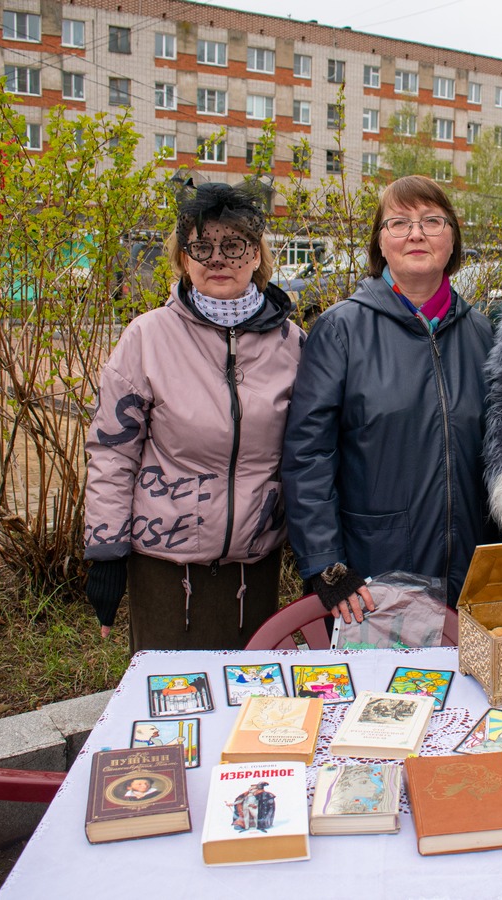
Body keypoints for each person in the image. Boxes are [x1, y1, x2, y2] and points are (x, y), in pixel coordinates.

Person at [83, 182, 304, 651]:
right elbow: (111, 453)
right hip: (167, 573)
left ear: (256, 256)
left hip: (253, 571)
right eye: (201, 246)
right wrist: (106, 551)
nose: (217, 259)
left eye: (234, 245)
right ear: (183, 257)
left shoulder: (293, 345)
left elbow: (311, 454)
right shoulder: (146, 339)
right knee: (171, 714)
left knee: (250, 707)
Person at [282, 175, 495, 624]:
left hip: (470, 576)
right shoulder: (341, 330)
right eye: (399, 223)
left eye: (432, 221)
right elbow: (308, 456)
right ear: (381, 243)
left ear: (452, 238)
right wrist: (327, 564)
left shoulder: (482, 334)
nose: (416, 233)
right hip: (372, 578)